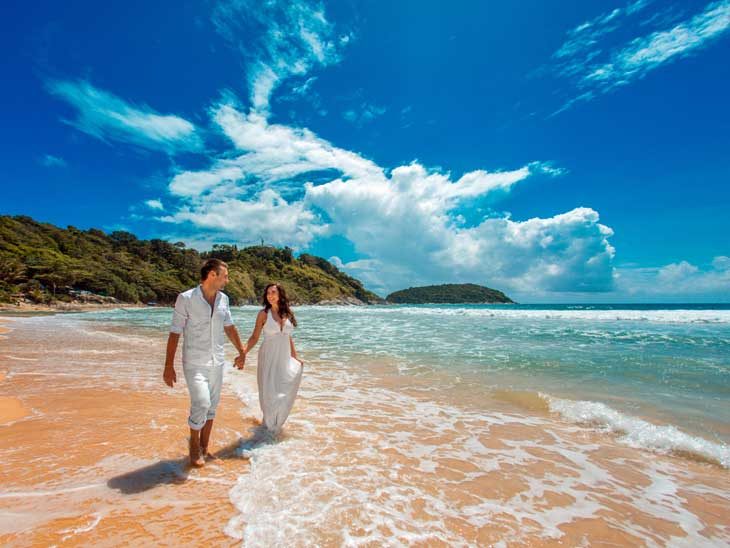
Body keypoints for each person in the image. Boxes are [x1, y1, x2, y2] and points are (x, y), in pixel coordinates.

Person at [163, 259, 245, 467]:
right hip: (194, 361)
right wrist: (168, 365)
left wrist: (241, 351)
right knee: (201, 402)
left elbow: (229, 327)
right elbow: (175, 332)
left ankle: (205, 448)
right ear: (212, 275)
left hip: (217, 361)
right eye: (225, 276)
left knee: (212, 406)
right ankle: (193, 446)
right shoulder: (186, 298)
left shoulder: (224, 299)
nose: (227, 279)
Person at [238, 283, 303, 435]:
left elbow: (288, 337)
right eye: (268, 293)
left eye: (273, 292)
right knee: (269, 391)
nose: (270, 295)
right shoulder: (263, 314)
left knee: (283, 389)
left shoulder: (287, 313)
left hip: (284, 357)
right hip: (268, 356)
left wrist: (295, 358)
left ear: (280, 294)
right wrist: (243, 353)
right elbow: (254, 337)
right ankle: (268, 426)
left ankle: (276, 422)